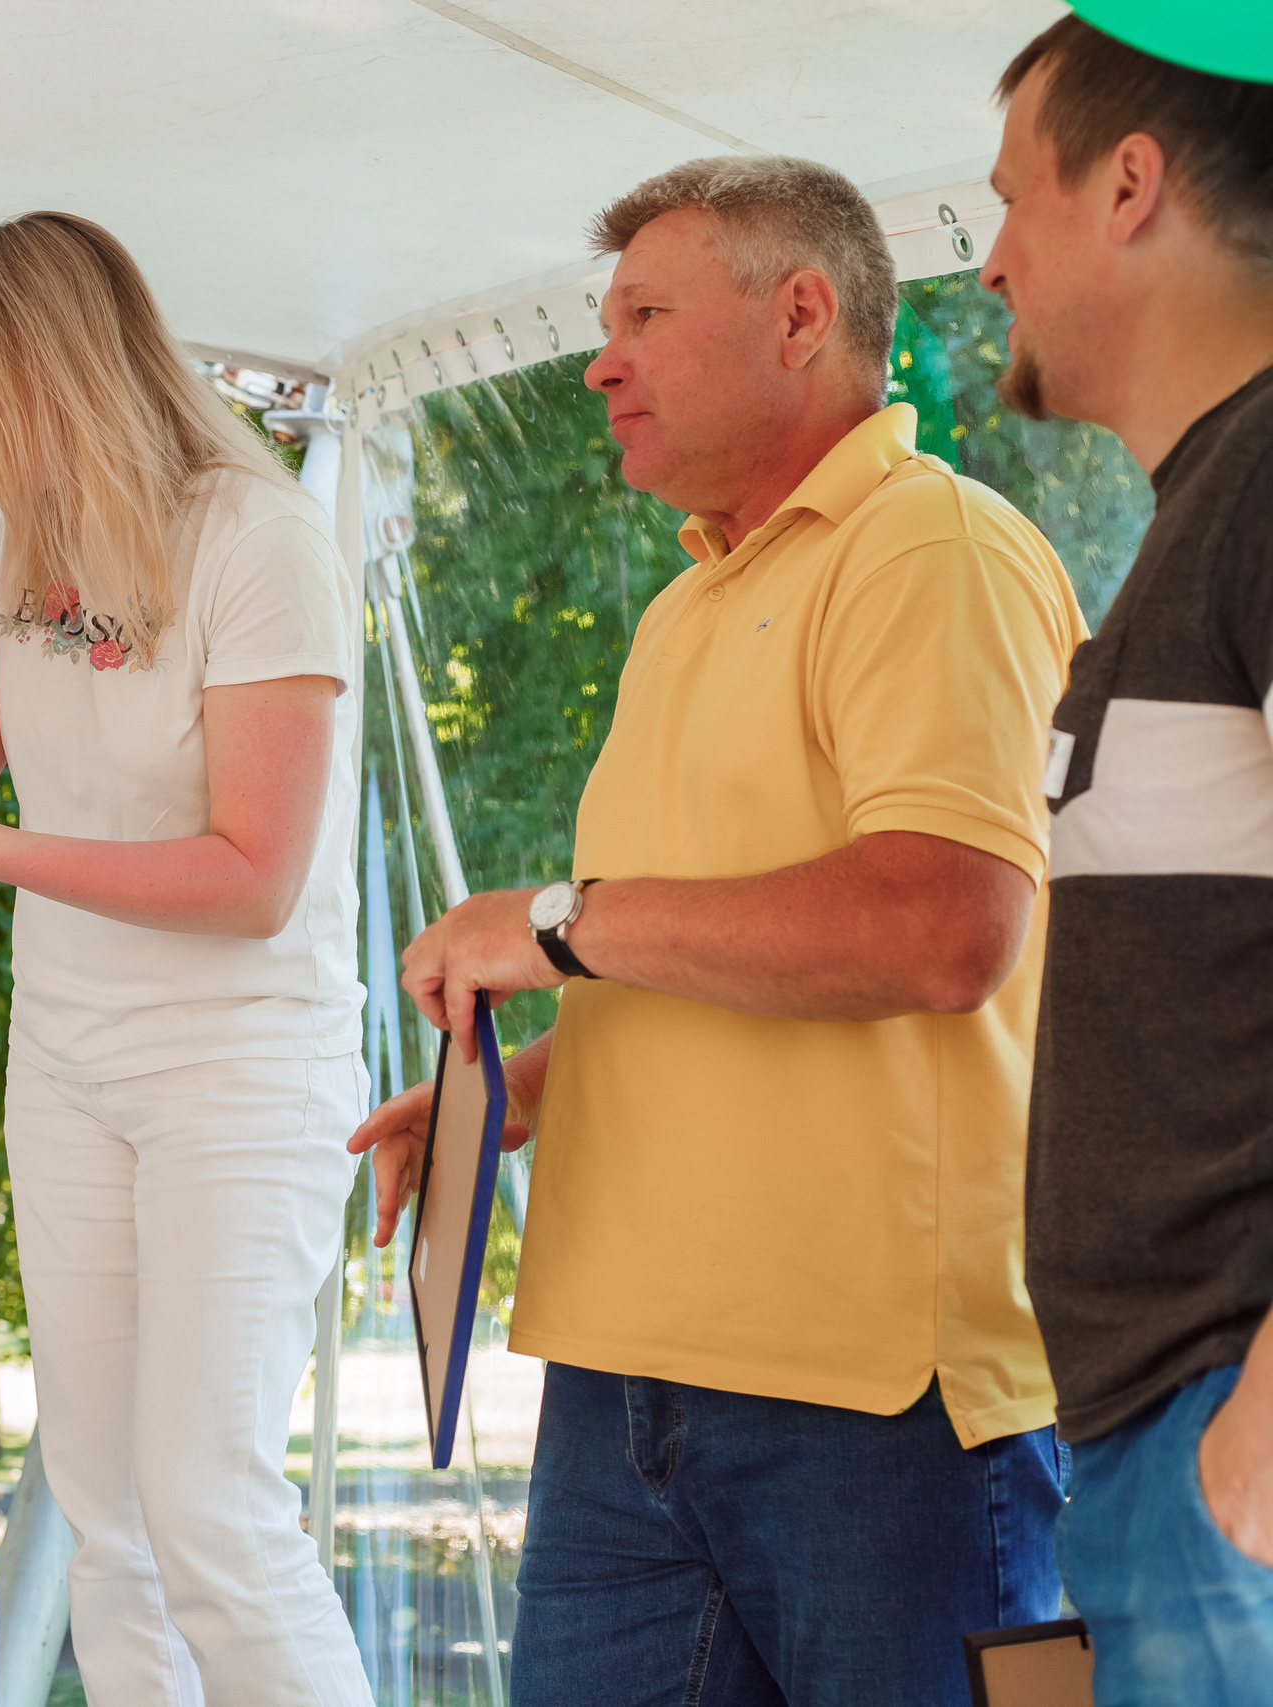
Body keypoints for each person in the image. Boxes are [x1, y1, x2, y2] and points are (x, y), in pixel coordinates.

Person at [348, 158, 1090, 1706]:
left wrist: (549, 922)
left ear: (802, 314)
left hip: (879, 1405)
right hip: (622, 1386)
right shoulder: (683, 605)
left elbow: (942, 925)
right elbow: (690, 955)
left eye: (646, 315)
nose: (602, 358)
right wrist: (521, 1093)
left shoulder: (932, 550)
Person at [0, 212, 373, 1707]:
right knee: (107, 1519)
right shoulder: (10, 532)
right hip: (69, 1055)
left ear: (60, 361)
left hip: (238, 1066)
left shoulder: (260, 535)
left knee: (211, 1510)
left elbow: (252, 877)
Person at [979, 11, 1273, 1698]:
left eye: (1020, 198)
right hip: (1158, 1453)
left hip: (1223, 1458)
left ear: (1134, 185)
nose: (996, 256)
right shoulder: (1197, 514)